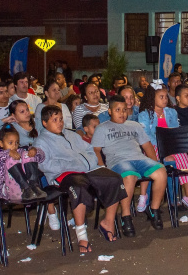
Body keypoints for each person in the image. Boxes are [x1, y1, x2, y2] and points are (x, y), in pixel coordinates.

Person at [35, 105, 131, 250]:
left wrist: (88, 163)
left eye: (61, 119)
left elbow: (89, 150)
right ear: (44, 122)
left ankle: (108, 222)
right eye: (55, 120)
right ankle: (82, 235)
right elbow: (45, 165)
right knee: (78, 187)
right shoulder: (41, 141)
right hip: (63, 175)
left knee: (114, 179)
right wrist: (72, 165)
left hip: (87, 170)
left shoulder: (71, 134)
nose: (60, 123)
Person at [92, 96, 168, 230]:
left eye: (124, 110)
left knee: (161, 171)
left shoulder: (135, 125)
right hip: (118, 161)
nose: (122, 113)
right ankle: (125, 216)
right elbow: (95, 150)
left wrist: (154, 162)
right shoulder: (102, 128)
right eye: (117, 110)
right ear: (109, 111)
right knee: (129, 176)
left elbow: (147, 145)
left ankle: (154, 209)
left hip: (139, 159)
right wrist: (101, 167)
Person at [137, 86, 188, 212]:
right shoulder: (145, 114)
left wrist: (170, 142)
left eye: (166, 97)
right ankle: (151, 198)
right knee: (167, 160)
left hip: (171, 144)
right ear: (152, 98)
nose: (165, 100)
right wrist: (162, 142)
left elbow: (175, 130)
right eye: (161, 97)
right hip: (153, 145)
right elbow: (146, 135)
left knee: (186, 163)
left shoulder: (171, 112)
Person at [0, 127, 47, 201]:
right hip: (10, 191)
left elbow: (41, 158)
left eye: (17, 142)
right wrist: (8, 153)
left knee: (27, 154)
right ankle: (26, 189)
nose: (14, 146)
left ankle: (33, 186)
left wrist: (35, 151)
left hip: (30, 191)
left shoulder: (21, 151)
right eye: (10, 143)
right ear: (1, 143)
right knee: (12, 158)